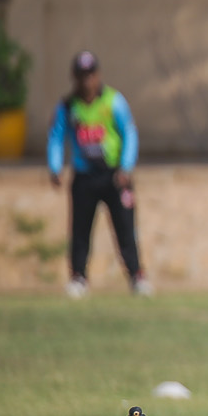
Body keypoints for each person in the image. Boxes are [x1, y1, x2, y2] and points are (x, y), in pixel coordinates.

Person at [47, 51, 151, 298]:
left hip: (115, 176)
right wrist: (55, 167)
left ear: (98, 75)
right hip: (84, 177)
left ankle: (136, 276)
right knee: (80, 230)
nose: (87, 81)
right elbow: (56, 137)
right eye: (82, 76)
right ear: (75, 77)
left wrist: (126, 166)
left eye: (91, 75)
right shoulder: (68, 107)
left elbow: (129, 132)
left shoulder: (113, 101)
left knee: (125, 228)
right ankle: (78, 277)